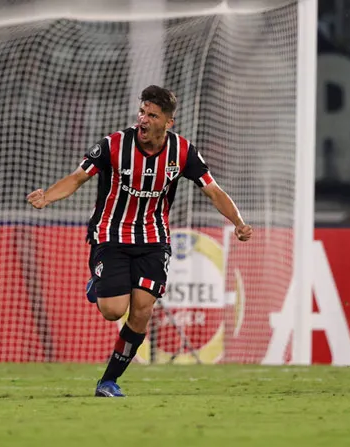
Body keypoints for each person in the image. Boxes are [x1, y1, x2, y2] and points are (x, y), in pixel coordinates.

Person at [27, 85, 252, 397]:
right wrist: (47, 197)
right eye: (142, 112)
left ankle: (108, 381)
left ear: (168, 122)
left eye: (152, 115)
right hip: (111, 234)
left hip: (153, 239)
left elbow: (213, 190)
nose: (143, 120)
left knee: (142, 311)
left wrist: (238, 222)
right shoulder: (114, 144)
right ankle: (99, 284)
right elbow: (78, 176)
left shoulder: (182, 152)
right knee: (113, 310)